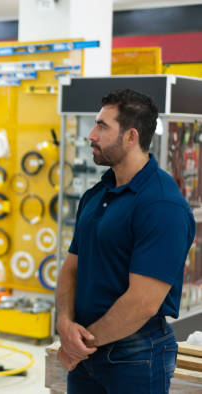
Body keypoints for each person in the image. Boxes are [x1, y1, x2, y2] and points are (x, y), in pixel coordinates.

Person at [55, 89, 195, 393]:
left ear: (131, 137)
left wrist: (80, 344)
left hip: (135, 356)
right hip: (86, 352)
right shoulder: (95, 196)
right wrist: (65, 325)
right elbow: (70, 269)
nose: (91, 135)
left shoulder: (161, 205)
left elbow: (142, 303)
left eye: (102, 126)